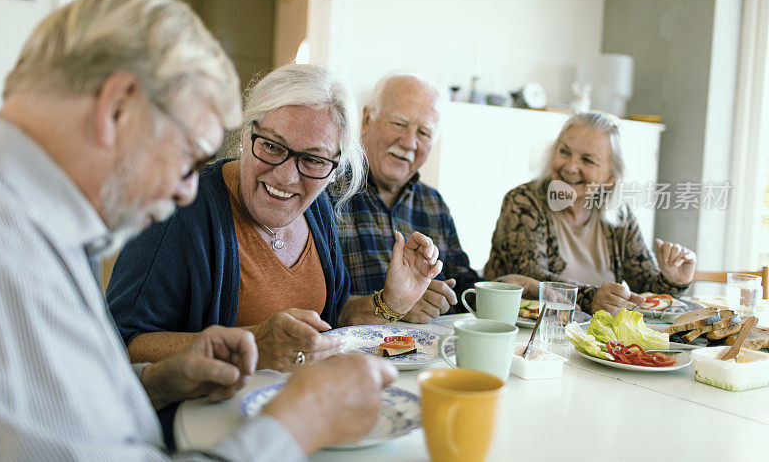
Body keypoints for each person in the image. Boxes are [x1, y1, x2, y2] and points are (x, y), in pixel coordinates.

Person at [0, 0, 397, 461]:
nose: (189, 189)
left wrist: (155, 384)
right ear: (118, 109)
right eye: (190, 157)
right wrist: (301, 422)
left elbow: (73, 416)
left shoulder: (33, 221)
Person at [106, 64, 444, 371]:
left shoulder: (318, 208)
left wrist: (392, 302)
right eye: (271, 146)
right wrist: (253, 344)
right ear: (246, 134)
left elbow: (330, 319)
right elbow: (120, 342)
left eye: (313, 160)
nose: (285, 177)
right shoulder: (181, 209)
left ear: (335, 166)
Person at [483, 112, 697, 315]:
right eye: (564, 152)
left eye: (587, 160)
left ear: (610, 177)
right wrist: (592, 298)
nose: (570, 167)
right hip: (523, 335)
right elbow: (531, 276)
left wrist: (674, 280)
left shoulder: (619, 215)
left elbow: (645, 288)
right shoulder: (523, 201)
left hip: (589, 339)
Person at [333, 72, 484, 323]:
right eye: (399, 124)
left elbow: (462, 283)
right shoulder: (326, 191)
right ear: (367, 119)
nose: (409, 142)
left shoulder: (434, 203)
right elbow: (315, 304)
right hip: (351, 358)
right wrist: (395, 305)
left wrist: (506, 286)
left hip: (430, 357)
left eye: (424, 132)